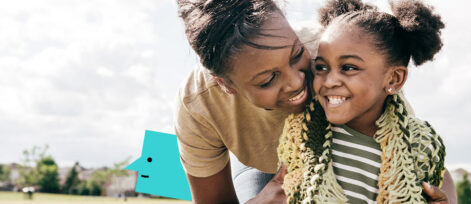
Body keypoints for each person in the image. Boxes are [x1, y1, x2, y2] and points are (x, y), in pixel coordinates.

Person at [176, 0, 453, 203]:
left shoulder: (340, 56)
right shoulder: (199, 103)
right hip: (262, 171)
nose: (297, 82)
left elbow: (419, 166)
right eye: (267, 80)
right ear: (225, 84)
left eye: (296, 55)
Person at [277, 0, 457, 203]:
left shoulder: (417, 145)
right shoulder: (303, 137)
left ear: (394, 79)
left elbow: (441, 180)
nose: (330, 80)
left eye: (349, 68)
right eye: (321, 67)